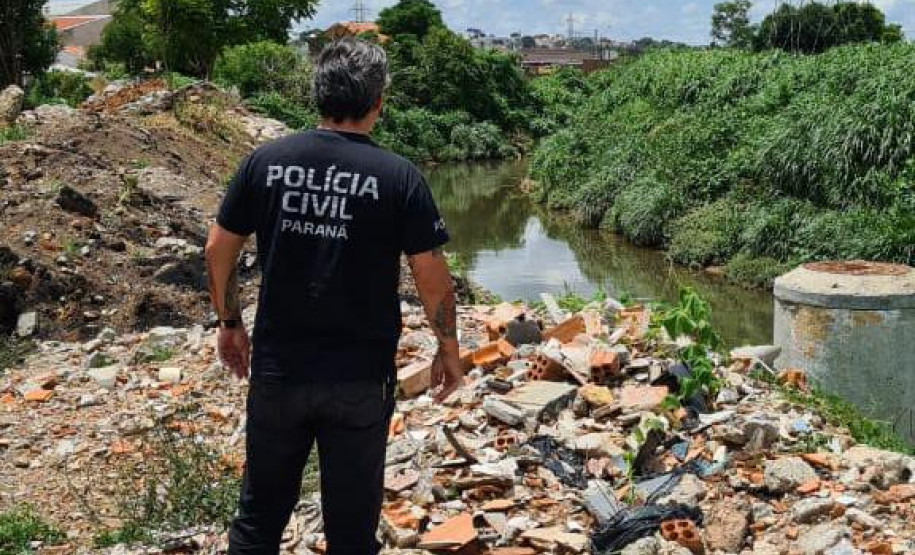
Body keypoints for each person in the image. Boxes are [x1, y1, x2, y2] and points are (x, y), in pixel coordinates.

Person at [204, 38, 464, 555]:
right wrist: (448, 350)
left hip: (280, 371)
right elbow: (432, 276)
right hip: (360, 379)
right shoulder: (399, 177)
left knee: (257, 521)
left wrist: (229, 322)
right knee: (351, 531)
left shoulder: (266, 162)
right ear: (378, 103)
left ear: (317, 94)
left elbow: (217, 249)